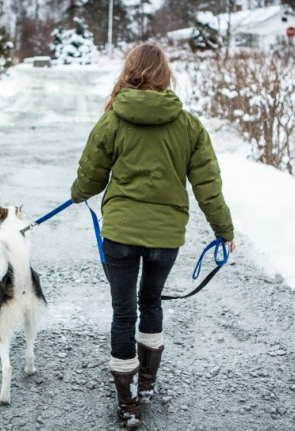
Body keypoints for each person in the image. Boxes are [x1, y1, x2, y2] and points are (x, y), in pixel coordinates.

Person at [70, 42, 235, 428]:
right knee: (151, 302)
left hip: (121, 234)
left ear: (130, 71)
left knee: (123, 311)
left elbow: (91, 176)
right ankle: (146, 385)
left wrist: (78, 194)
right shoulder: (189, 125)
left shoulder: (112, 119)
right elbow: (207, 186)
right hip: (165, 239)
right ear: (165, 76)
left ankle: (127, 403)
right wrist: (224, 230)